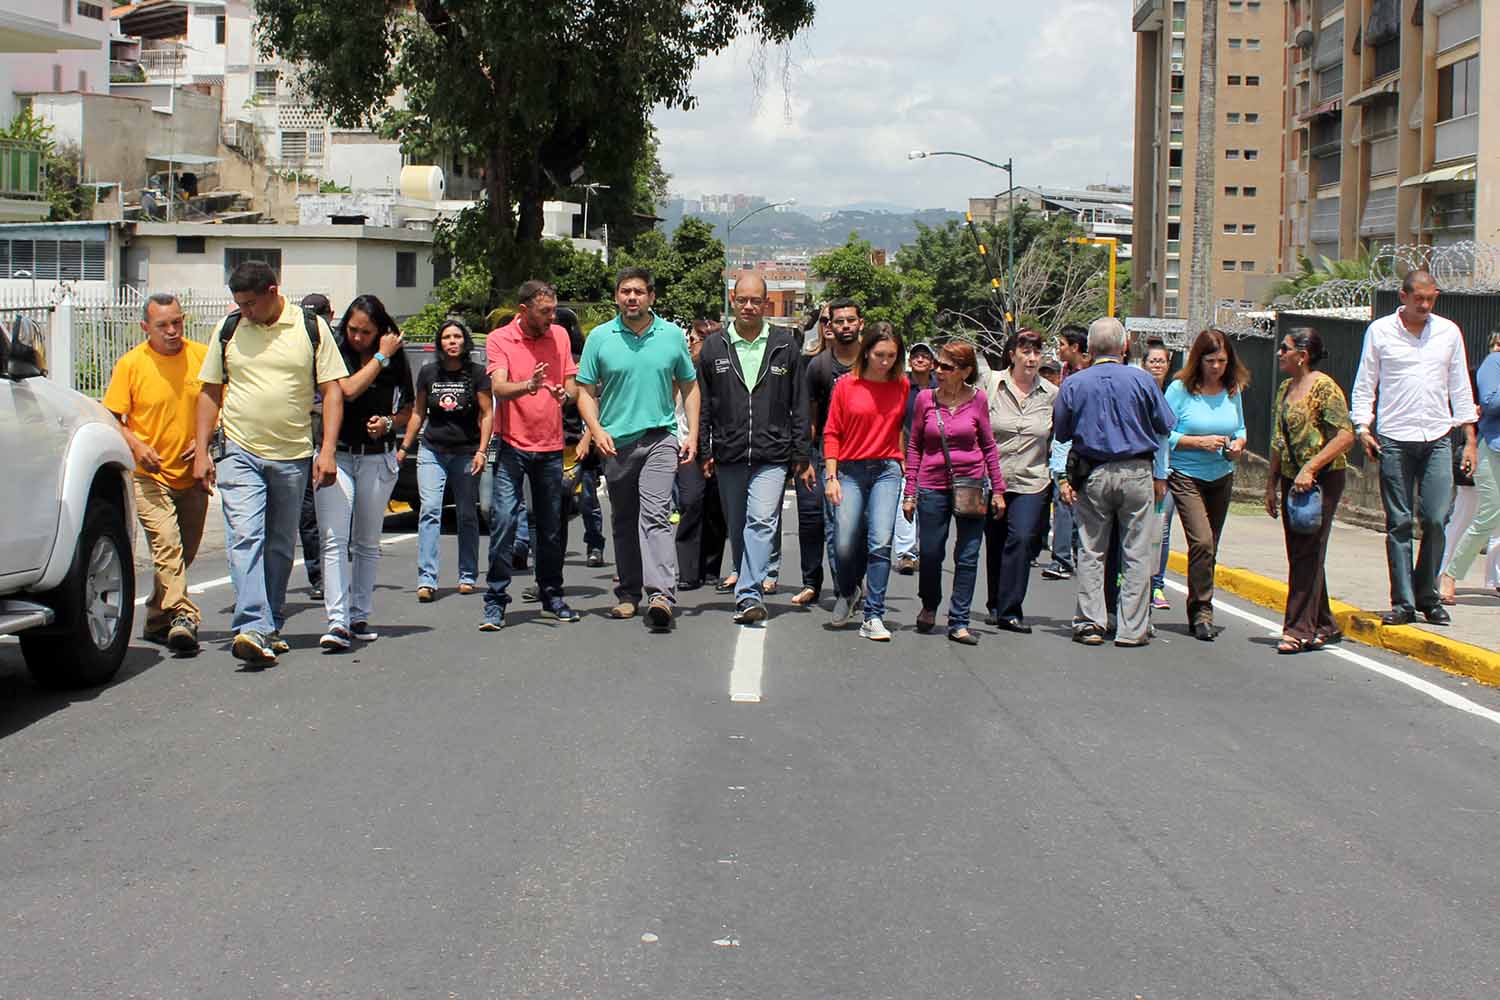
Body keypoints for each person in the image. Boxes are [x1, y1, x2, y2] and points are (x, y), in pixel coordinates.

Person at [193, 261, 347, 667]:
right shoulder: (229, 330)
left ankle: (270, 623)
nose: (245, 312)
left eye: (250, 304)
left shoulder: (311, 328)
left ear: (273, 291)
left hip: (293, 453)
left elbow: (332, 391)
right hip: (238, 449)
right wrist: (200, 450)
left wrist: (327, 449)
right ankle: (251, 625)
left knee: (280, 544)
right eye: (239, 304)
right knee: (245, 537)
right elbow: (210, 391)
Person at [1350, 269, 1478, 626]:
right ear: (1403, 297)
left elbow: (1460, 386)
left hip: (1437, 435)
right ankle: (1403, 602)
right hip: (1394, 436)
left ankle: (1428, 595)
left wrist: (1469, 439)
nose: (1424, 305)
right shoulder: (1380, 331)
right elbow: (1366, 382)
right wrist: (1363, 426)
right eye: (1418, 298)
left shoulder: (1448, 332)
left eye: (1430, 298)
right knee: (1400, 521)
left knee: (1436, 518)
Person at [577, 267, 699, 632]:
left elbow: (689, 386)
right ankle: (628, 593)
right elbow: (584, 392)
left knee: (657, 513)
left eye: (639, 292)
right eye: (626, 291)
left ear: (651, 297)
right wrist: (595, 430)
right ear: (617, 297)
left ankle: (661, 594)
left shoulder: (672, 336)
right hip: (616, 444)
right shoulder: (600, 337)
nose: (632, 297)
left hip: (660, 438)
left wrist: (691, 433)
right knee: (624, 520)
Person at [1052, 317, 1175, 648]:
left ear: (1089, 349)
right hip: (1136, 472)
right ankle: (1132, 628)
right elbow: (1165, 424)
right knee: (1135, 552)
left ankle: (1092, 622)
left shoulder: (1075, 384)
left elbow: (1061, 431)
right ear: (1124, 347)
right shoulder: (1143, 381)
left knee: (1092, 549)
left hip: (1094, 473)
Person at [698, 271, 809, 624]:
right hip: (728, 452)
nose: (748, 306)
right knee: (738, 526)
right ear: (733, 300)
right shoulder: (714, 346)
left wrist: (800, 453)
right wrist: (704, 449)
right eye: (742, 300)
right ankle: (747, 578)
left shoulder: (784, 345)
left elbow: (800, 403)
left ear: (765, 303)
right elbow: (703, 404)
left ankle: (748, 594)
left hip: (772, 453)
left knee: (761, 521)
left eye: (755, 300)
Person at [103, 293, 210, 653]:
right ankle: (184, 614)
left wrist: (205, 438)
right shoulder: (131, 364)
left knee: (184, 553)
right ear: (145, 327)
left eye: (177, 322)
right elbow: (113, 419)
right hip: (149, 476)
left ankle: (156, 618)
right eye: (163, 325)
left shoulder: (201, 356)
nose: (172, 331)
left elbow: (220, 403)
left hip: (192, 474)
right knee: (168, 546)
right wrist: (136, 446)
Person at [477, 280, 581, 631]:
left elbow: (570, 384)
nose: (552, 317)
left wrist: (562, 395)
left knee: (551, 528)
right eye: (544, 311)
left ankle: (552, 594)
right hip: (512, 446)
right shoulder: (500, 339)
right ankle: (495, 600)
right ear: (524, 311)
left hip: (551, 447)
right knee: (504, 521)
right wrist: (529, 386)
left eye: (553, 309)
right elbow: (499, 388)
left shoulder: (560, 336)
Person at [314, 294, 411, 650]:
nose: (358, 337)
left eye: (366, 332)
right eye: (353, 329)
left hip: (376, 457)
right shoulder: (336, 350)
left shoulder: (397, 358)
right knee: (334, 539)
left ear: (380, 329)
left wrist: (389, 422)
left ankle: (359, 614)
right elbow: (347, 391)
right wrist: (381, 356)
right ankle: (337, 622)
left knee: (367, 541)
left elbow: (410, 408)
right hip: (337, 455)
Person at [904, 340, 1006, 644]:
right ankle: (929, 604)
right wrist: (910, 490)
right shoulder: (925, 399)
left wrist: (998, 489)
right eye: (938, 364)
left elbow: (988, 446)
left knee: (968, 555)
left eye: (946, 367)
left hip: (971, 485)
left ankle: (959, 619)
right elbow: (915, 446)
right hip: (932, 486)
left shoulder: (978, 400)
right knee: (932, 553)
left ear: (965, 371)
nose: (939, 370)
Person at [1263, 327, 1355, 653]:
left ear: (1302, 355)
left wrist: (1311, 467)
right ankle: (1325, 623)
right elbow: (1277, 440)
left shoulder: (1324, 388)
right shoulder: (1286, 389)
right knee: (1302, 552)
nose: (1279, 354)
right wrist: (1271, 484)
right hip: (1292, 479)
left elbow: (1345, 435)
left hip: (1322, 480)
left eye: (1285, 349)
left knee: (1308, 551)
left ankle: (1298, 629)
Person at [824, 322, 909, 641]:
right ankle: (848, 591)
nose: (885, 361)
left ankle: (874, 615)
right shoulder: (846, 385)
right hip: (849, 469)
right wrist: (831, 476)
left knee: (881, 542)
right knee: (844, 541)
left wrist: (904, 468)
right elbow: (832, 432)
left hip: (886, 470)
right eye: (879, 354)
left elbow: (904, 429)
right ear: (867, 351)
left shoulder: (902, 386)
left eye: (891, 356)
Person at [398, 318, 492, 603]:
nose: (452, 342)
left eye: (457, 337)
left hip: (466, 452)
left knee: (466, 513)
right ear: (440, 343)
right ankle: (427, 579)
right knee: (429, 510)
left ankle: (467, 575)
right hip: (432, 450)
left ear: (465, 341)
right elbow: (418, 412)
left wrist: (482, 450)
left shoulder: (477, 374)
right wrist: (404, 446)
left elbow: (487, 414)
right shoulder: (428, 373)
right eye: (447, 337)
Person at [1164, 329, 1249, 642]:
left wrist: (1239, 443)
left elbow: (1240, 427)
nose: (1216, 367)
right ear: (1198, 360)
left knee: (1211, 546)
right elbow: (1162, 433)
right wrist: (1195, 442)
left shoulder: (1231, 390)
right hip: (1186, 474)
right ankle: (1201, 609)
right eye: (1210, 360)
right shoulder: (1179, 390)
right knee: (1201, 542)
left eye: (1222, 361)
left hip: (1221, 474)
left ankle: (1200, 603)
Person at [980, 329, 1055, 633]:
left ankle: (1011, 609)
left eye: (1037, 352)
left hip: (1032, 480)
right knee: (996, 542)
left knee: (1022, 539)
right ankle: (996, 603)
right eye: (1026, 352)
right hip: (992, 478)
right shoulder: (991, 384)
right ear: (1012, 355)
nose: (1032, 358)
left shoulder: (1051, 393)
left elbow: (1057, 438)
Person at [804, 298, 864, 597]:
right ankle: (845, 589)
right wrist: (808, 458)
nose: (845, 326)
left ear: (860, 323)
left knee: (865, 529)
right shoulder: (819, 366)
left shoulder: (873, 361)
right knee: (835, 526)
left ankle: (857, 578)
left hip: (870, 455)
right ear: (830, 326)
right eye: (838, 321)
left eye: (850, 320)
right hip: (831, 457)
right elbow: (812, 417)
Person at [1439, 331, 1500, 603]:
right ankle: (1450, 574)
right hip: (1494, 449)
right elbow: (1490, 401)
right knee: (1488, 514)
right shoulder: (1493, 364)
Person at [673, 320, 728, 590]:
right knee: (691, 501)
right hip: (687, 445)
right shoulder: (683, 369)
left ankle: (710, 568)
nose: (692, 345)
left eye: (696, 340)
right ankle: (688, 570)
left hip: (719, 447)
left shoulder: (722, 371)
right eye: (691, 340)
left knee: (715, 509)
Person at [555, 307, 607, 568]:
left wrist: (588, 438)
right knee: (556, 502)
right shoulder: (546, 358)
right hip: (551, 444)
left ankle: (595, 544)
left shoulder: (580, 361)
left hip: (579, 440)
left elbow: (593, 402)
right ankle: (552, 550)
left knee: (587, 498)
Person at [788, 304, 832, 606]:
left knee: (849, 524)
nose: (831, 325)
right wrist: (802, 454)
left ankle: (849, 582)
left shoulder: (863, 363)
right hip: (813, 450)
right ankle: (811, 581)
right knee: (811, 517)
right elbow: (800, 409)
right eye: (826, 320)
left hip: (852, 452)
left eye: (839, 320)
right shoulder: (808, 362)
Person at [297, 292, 334, 600]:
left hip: (333, 436)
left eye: (320, 315)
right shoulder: (298, 341)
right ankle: (318, 574)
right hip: (302, 433)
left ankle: (336, 562)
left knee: (335, 505)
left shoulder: (340, 345)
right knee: (307, 511)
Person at [893, 341, 938, 575]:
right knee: (906, 501)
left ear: (932, 362)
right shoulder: (901, 386)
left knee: (930, 506)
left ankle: (927, 552)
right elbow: (897, 423)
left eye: (925, 356)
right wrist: (901, 455)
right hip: (907, 454)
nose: (921, 360)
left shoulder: (940, 388)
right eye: (917, 356)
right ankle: (907, 554)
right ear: (910, 361)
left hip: (935, 457)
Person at [1141, 342, 1175, 610]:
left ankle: (1157, 585)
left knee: (1160, 531)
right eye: (1152, 360)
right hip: (1141, 470)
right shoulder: (1138, 390)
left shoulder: (1173, 393)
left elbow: (1168, 435)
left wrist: (1162, 475)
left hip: (1165, 473)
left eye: (1161, 361)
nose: (1157, 365)